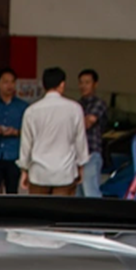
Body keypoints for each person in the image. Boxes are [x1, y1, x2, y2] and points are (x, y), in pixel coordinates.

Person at [17, 67, 89, 196]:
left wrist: (24, 170)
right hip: (65, 173)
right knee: (62, 214)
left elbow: (26, 143)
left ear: (43, 85)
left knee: (39, 213)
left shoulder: (31, 111)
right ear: (62, 85)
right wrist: (81, 166)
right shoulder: (74, 109)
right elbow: (80, 140)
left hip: (38, 173)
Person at [77, 69, 109, 198]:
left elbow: (88, 123)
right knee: (77, 195)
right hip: (77, 156)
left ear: (95, 84)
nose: (83, 86)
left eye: (87, 82)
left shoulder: (99, 103)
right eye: (81, 82)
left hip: (91, 153)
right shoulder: (77, 104)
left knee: (91, 193)